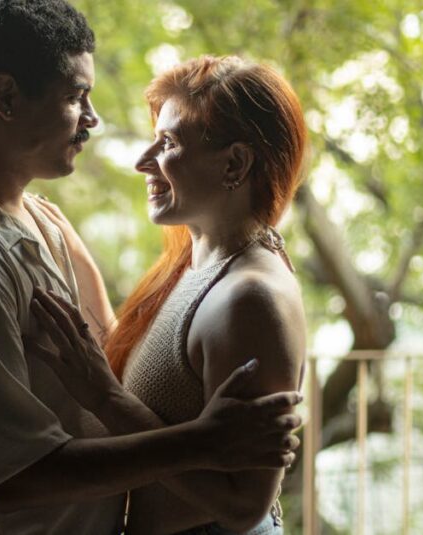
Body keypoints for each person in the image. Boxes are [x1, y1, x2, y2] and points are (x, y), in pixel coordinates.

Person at [0, 1, 303, 533]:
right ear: (7, 97)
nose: (92, 119)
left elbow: (98, 366)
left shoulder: (29, 216)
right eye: (76, 96)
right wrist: (203, 442)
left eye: (168, 143)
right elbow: (13, 477)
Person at [25, 55, 309, 534]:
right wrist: (76, 256)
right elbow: (165, 387)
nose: (143, 162)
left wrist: (103, 397)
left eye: (170, 142)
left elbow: (244, 506)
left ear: (235, 163)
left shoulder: (250, 300)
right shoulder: (202, 264)